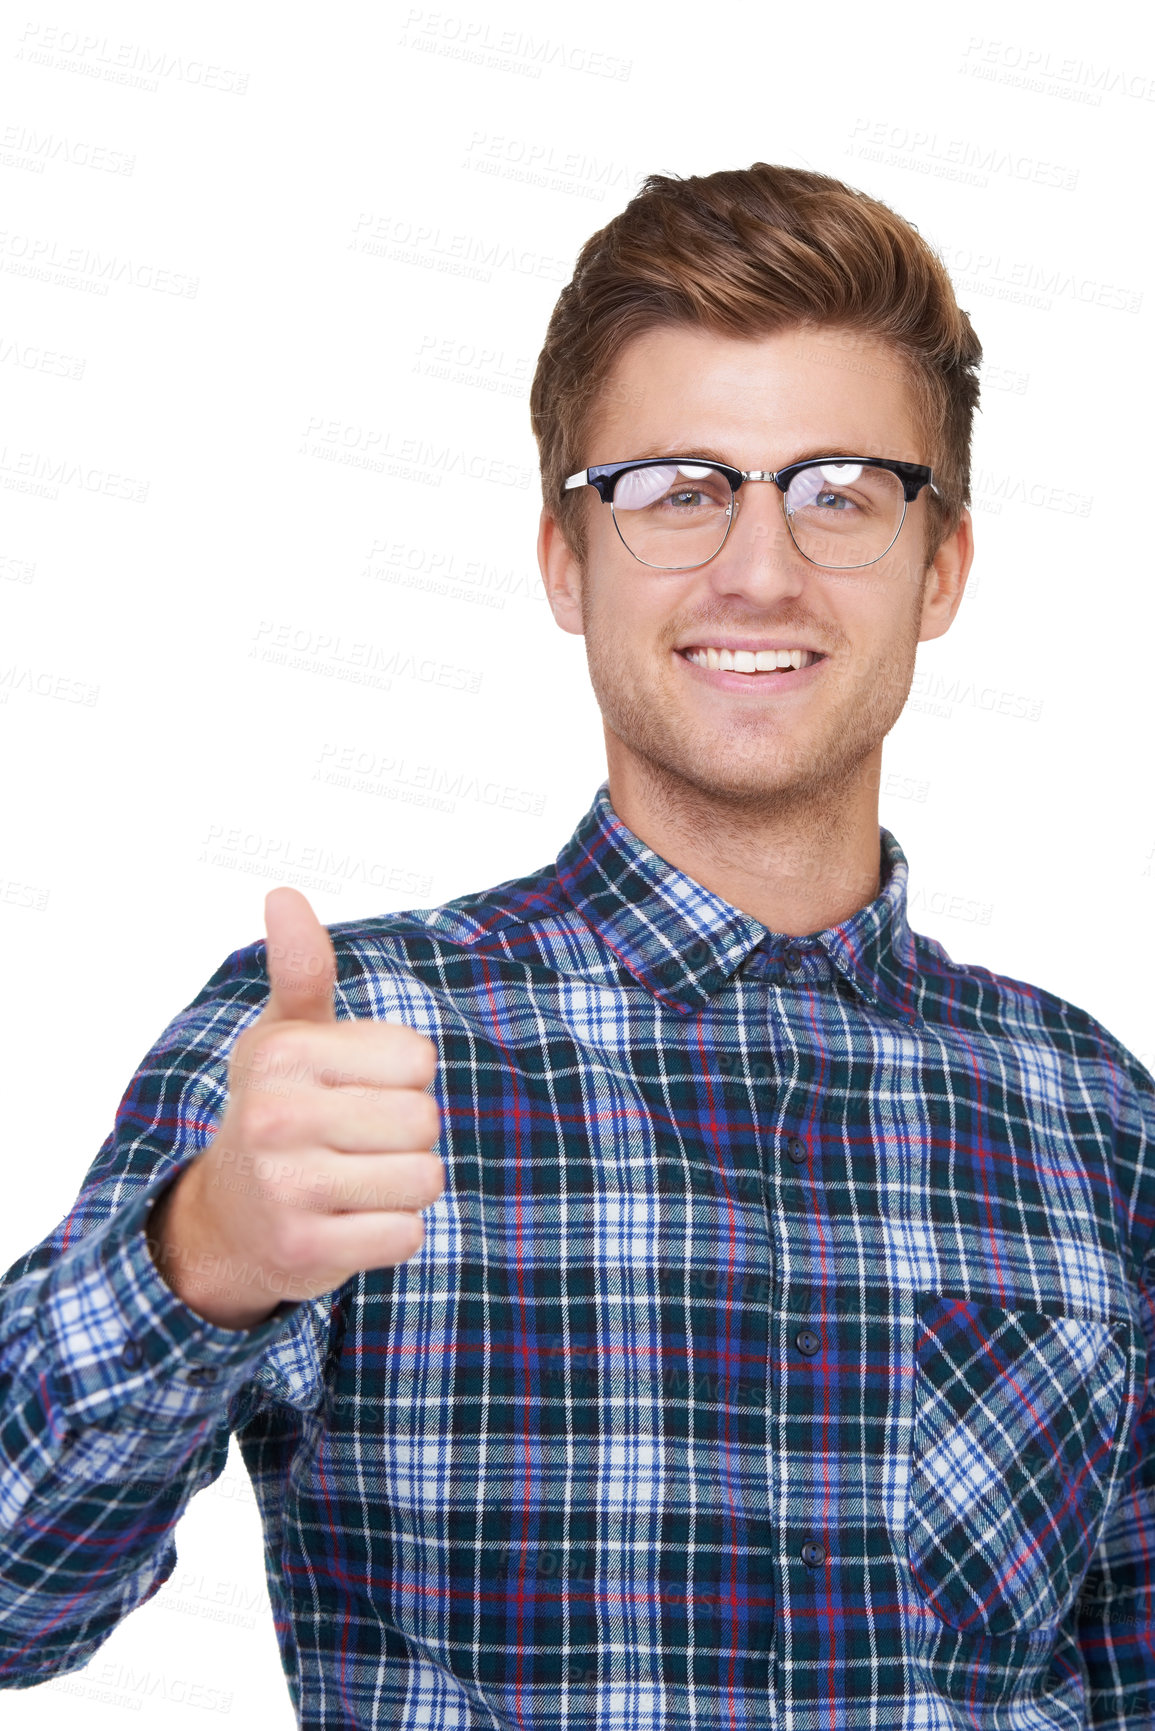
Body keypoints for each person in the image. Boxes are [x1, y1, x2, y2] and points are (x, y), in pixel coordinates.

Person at [1, 162, 1151, 1729]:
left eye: (840, 493)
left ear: (939, 567)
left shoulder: (1092, 1116)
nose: (759, 566)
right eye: (679, 488)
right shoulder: (339, 1052)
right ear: (566, 561)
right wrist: (199, 1261)